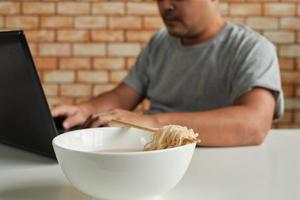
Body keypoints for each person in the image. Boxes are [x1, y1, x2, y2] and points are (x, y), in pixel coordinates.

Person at [51, 0, 284, 147]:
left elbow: (253, 125)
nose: (165, 6)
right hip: (149, 158)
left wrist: (152, 123)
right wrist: (84, 111)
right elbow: (123, 94)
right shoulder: (160, 43)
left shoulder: (252, 48)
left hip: (215, 163)